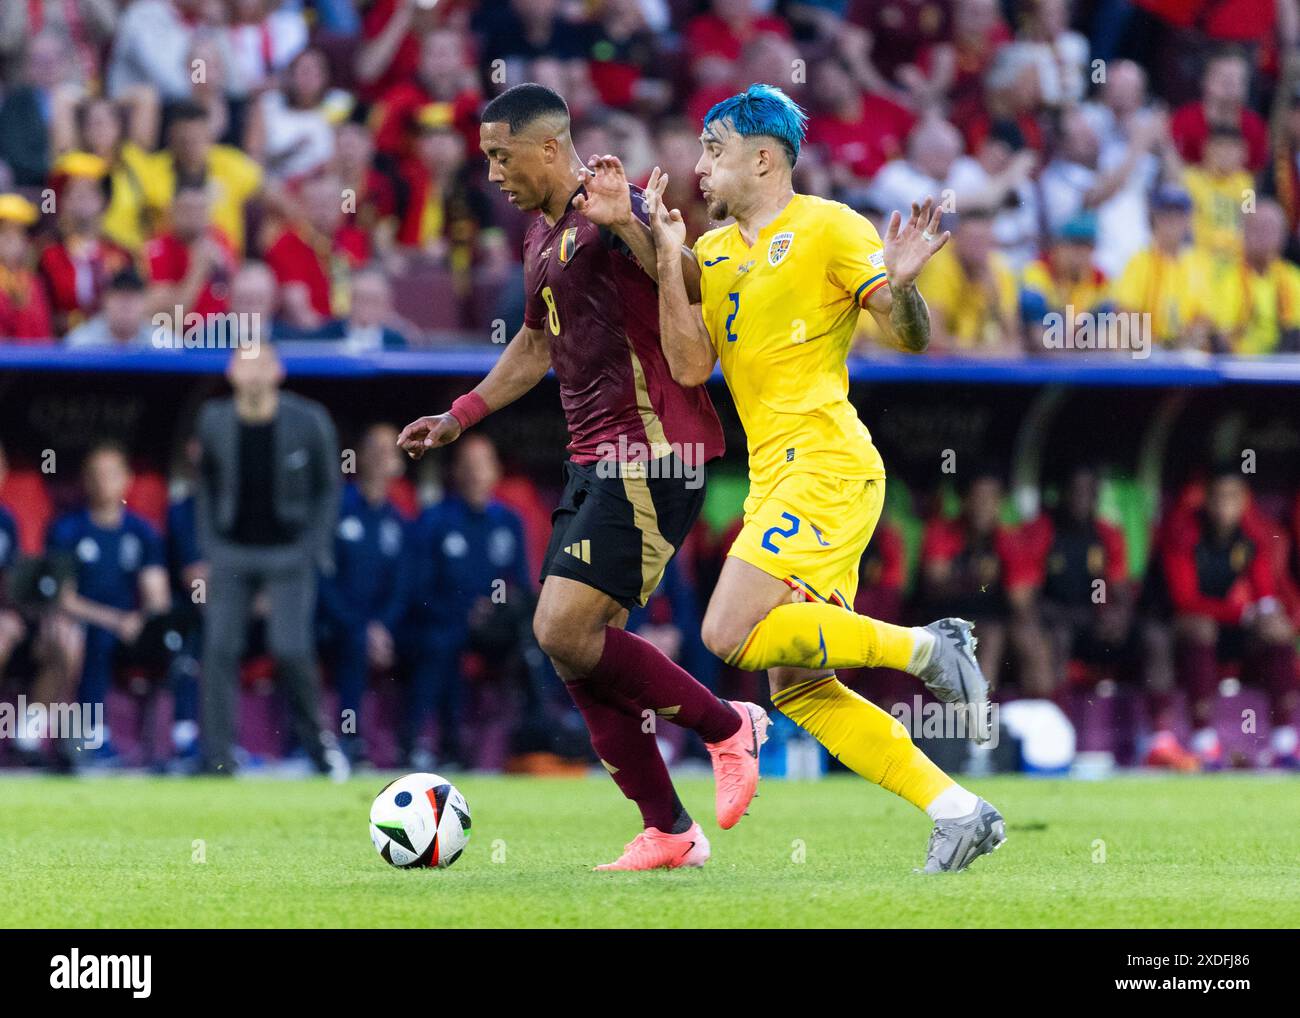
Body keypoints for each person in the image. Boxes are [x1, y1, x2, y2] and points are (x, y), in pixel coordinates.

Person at [397, 83, 762, 873]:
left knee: (560, 629)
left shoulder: (612, 198)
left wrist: (626, 219)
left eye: (501, 155)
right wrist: (460, 414)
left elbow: (687, 275)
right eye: (486, 157)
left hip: (657, 450)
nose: (492, 172)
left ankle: (728, 724)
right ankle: (668, 828)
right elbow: (534, 347)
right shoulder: (539, 238)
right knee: (572, 649)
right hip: (595, 459)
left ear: (549, 147)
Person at [638, 83, 1003, 873]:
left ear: (763, 158)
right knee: (797, 686)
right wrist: (670, 262)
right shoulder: (712, 250)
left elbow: (905, 336)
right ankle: (959, 809)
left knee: (721, 631)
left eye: (714, 149)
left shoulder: (831, 227)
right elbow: (691, 363)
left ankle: (926, 647)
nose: (699, 165)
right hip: (776, 475)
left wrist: (903, 289)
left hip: (827, 463)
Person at [194, 344, 346, 778]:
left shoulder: (309, 419)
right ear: (231, 372)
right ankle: (218, 757)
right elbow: (203, 487)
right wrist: (208, 548)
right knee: (219, 649)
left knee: (290, 649)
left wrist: (313, 550)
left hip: (289, 551)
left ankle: (320, 749)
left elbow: (327, 490)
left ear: (278, 370)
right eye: (246, 362)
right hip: (231, 552)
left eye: (263, 362)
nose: (255, 372)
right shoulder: (214, 420)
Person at [404, 434, 531, 770]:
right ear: (456, 473)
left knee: (538, 642)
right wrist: (464, 611)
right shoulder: (435, 521)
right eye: (468, 466)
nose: (476, 474)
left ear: (496, 472)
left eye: (483, 465)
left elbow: (520, 584)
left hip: (496, 626)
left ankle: (537, 739)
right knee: (441, 642)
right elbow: (420, 588)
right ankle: (428, 743)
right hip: (446, 621)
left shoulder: (509, 522)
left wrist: (495, 607)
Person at [46, 442, 171, 765]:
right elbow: (64, 598)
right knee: (86, 639)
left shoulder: (142, 531)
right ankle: (83, 739)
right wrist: (116, 621)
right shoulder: (67, 529)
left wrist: (147, 620)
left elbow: (157, 595)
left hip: (132, 627)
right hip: (88, 623)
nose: (104, 483)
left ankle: (178, 740)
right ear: (85, 481)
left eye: (112, 474)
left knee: (179, 640)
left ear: (127, 479)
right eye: (96, 475)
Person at [317, 422, 410, 765]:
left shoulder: (398, 521)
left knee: (437, 642)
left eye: (391, 451)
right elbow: (322, 578)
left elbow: (402, 586)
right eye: (377, 449)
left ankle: (418, 744)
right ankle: (349, 741)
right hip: (334, 621)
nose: (383, 458)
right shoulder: (336, 509)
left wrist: (382, 627)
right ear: (359, 457)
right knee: (352, 641)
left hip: (379, 628)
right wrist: (359, 625)